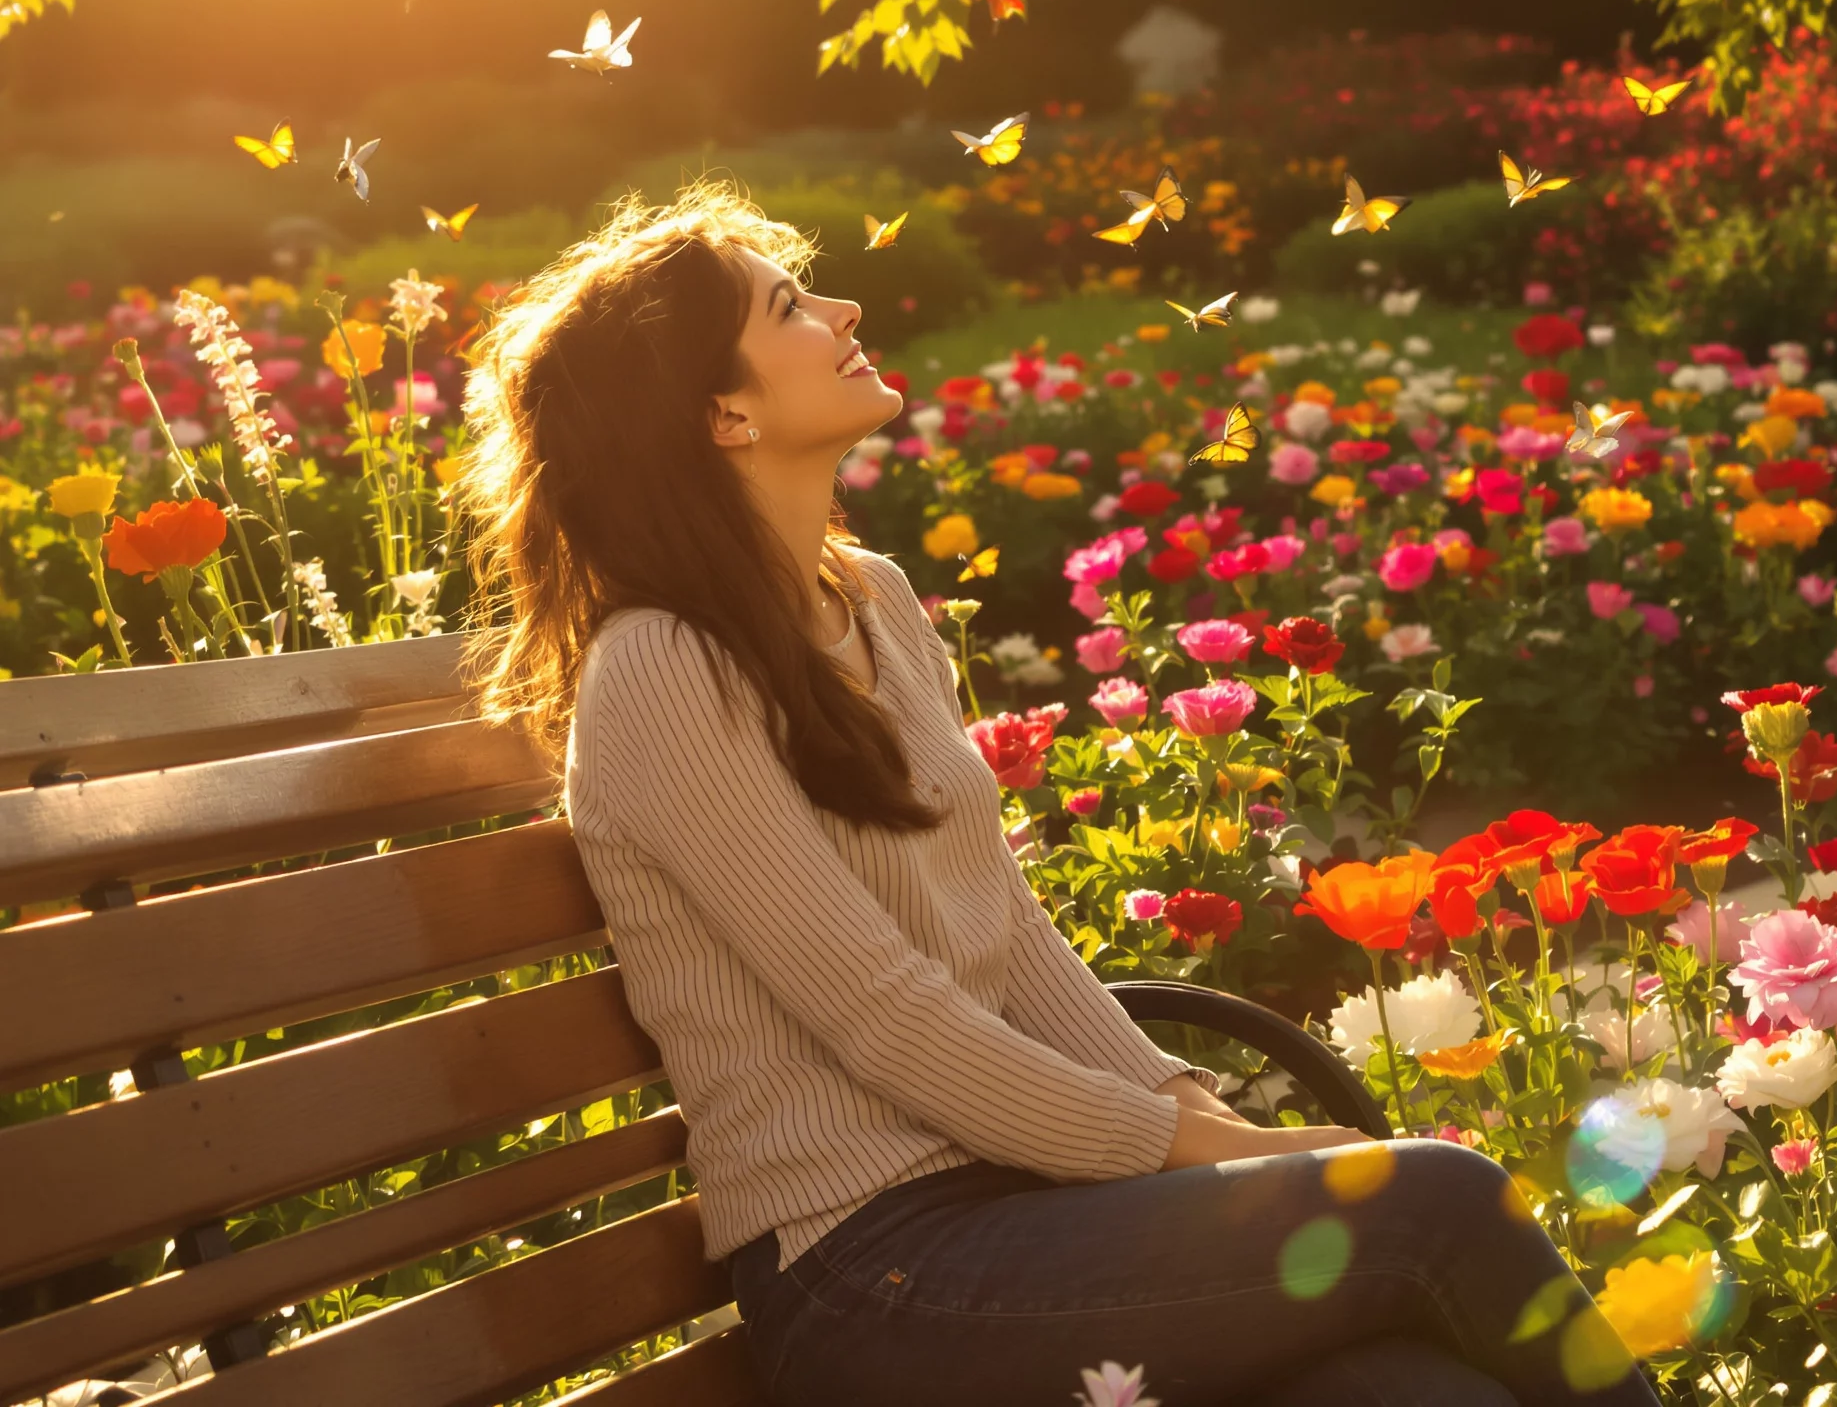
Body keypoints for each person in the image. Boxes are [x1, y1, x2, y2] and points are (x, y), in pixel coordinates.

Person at [456, 182, 1659, 1407]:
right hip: (872, 1269)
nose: (844, 304)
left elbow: (1010, 930)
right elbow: (880, 1014)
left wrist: (1181, 1107)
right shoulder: (662, 667)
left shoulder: (866, 596)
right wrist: (1212, 1149)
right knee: (1432, 1204)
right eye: (790, 306)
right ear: (720, 411)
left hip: (1023, 1218)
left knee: (1405, 1390)